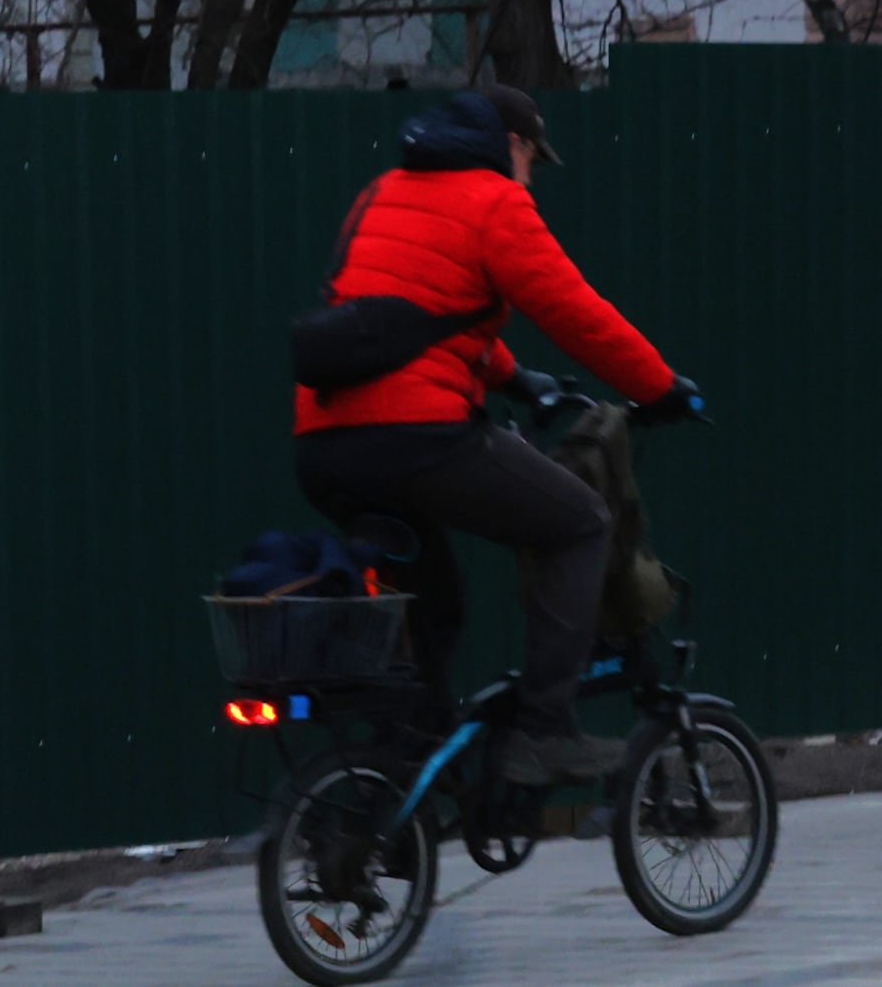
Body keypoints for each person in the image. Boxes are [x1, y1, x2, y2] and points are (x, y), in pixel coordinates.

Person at [289, 86, 699, 784]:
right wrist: (660, 386)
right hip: (417, 437)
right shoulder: (496, 201)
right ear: (514, 143)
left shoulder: (381, 190)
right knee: (578, 521)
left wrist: (514, 377)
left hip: (325, 444)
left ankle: (399, 770)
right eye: (534, 157)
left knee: (435, 599)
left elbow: (405, 312)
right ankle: (544, 729)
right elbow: (577, 313)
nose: (533, 173)